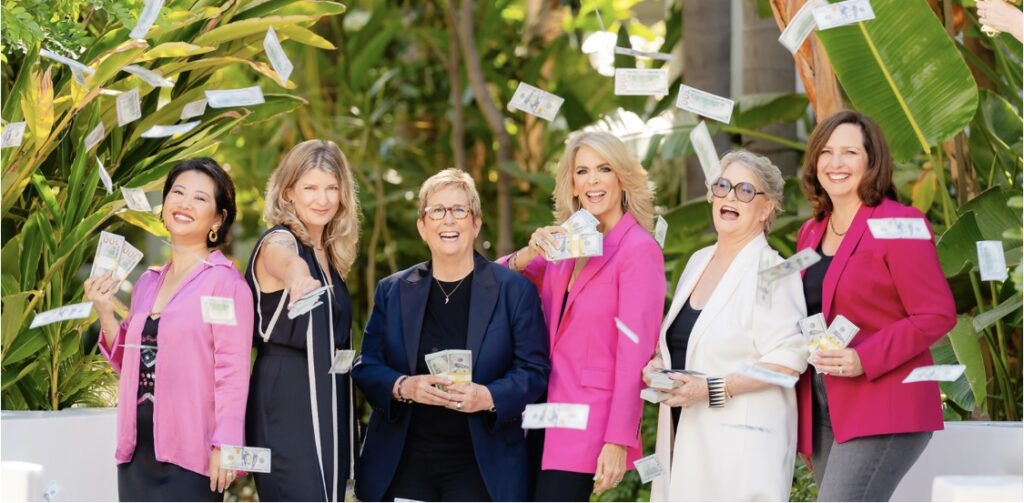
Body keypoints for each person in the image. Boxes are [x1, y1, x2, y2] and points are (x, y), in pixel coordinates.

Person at [352, 168, 550, 502]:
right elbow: (367, 365)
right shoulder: (393, 290)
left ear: (475, 224)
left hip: (481, 465)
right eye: (437, 211)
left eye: (459, 211)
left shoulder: (513, 291)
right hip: (406, 463)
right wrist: (403, 386)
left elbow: (534, 371)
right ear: (422, 226)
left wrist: (486, 396)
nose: (448, 220)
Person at [796, 110, 957, 501]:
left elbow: (936, 314)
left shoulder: (901, 222)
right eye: (827, 152)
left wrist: (863, 358)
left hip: (883, 400)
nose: (836, 163)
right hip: (824, 401)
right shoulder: (811, 230)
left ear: (872, 161)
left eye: (850, 152)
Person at [501, 131, 665, 501]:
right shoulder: (568, 243)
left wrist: (618, 439)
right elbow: (495, 280)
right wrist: (528, 254)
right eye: (583, 171)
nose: (592, 180)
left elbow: (634, 355)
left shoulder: (639, 250)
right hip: (536, 415)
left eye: (603, 169)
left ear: (621, 178)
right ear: (572, 184)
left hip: (587, 424)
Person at [85, 157, 253, 501]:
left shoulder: (226, 284)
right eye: (178, 192)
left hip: (192, 452)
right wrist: (105, 312)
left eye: (200, 198)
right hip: (136, 450)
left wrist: (226, 443)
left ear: (218, 218)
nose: (185, 203)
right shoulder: (148, 282)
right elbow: (128, 362)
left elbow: (233, 373)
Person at [645, 151, 809, 501]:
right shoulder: (698, 261)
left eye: (745, 190)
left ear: (767, 208)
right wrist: (660, 366)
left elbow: (787, 362)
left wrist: (711, 389)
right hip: (683, 434)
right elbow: (682, 342)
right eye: (723, 186)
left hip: (742, 447)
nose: (731, 196)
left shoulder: (772, 270)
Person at [244, 139, 361, 501]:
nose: (322, 199)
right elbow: (283, 259)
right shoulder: (281, 241)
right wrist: (296, 276)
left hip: (330, 395)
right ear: (289, 192)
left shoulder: (327, 252)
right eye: (310, 187)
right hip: (287, 399)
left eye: (331, 188)